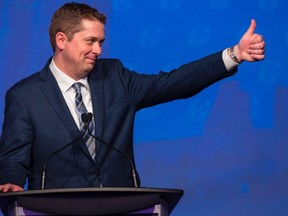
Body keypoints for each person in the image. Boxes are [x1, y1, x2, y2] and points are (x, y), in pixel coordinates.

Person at [0, 2, 265, 192]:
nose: (98, 50)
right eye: (90, 41)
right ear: (61, 40)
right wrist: (10, 180)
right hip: (55, 210)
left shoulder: (114, 77)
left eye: (101, 42)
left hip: (121, 206)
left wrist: (233, 55)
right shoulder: (25, 96)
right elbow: (13, 157)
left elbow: (172, 83)